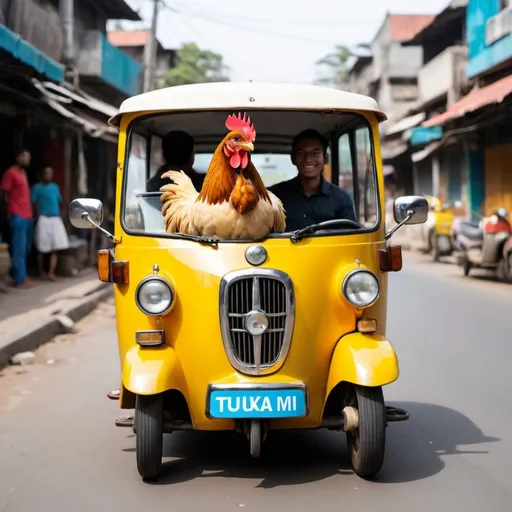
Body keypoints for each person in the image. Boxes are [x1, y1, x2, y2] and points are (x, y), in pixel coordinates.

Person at [269, 129, 357, 231]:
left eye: (315, 153)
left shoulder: (342, 199)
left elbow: (349, 239)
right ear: (293, 158)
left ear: (326, 158)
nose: (308, 159)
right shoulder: (274, 196)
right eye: (302, 153)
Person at [0, 149, 36, 288]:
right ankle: (20, 280)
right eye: (25, 156)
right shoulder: (11, 173)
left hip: (27, 215)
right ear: (18, 158)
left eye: (29, 156)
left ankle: (17, 274)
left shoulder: (23, 173)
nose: (28, 159)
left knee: (25, 248)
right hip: (17, 214)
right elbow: (4, 193)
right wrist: (8, 212)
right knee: (19, 248)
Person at [31, 165, 69, 280]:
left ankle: (51, 272)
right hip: (43, 218)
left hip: (55, 218)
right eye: (46, 173)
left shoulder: (55, 187)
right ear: (42, 175)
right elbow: (33, 203)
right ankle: (41, 271)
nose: (49, 175)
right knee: (41, 247)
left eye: (50, 173)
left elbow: (60, 202)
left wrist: (61, 215)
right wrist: (36, 216)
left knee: (55, 247)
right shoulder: (36, 188)